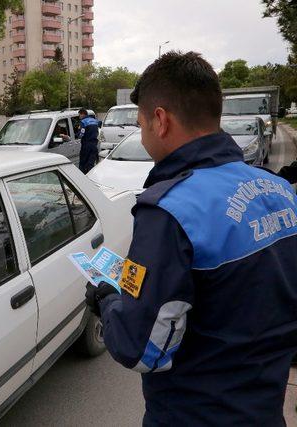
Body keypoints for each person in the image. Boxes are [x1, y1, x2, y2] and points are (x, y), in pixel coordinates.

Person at [84, 51, 297, 425]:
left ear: (161, 120)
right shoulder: (280, 189)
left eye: (141, 123)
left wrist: (109, 302)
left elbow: (141, 349)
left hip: (195, 413)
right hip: (265, 408)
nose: (143, 134)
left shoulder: (170, 212)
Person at [78, 108, 99, 173]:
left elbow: (81, 134)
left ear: (82, 114)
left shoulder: (83, 122)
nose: (79, 117)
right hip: (94, 145)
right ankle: (91, 177)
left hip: (86, 145)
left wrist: (78, 135)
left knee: (82, 163)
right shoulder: (95, 121)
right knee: (91, 163)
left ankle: (82, 178)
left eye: (79, 115)